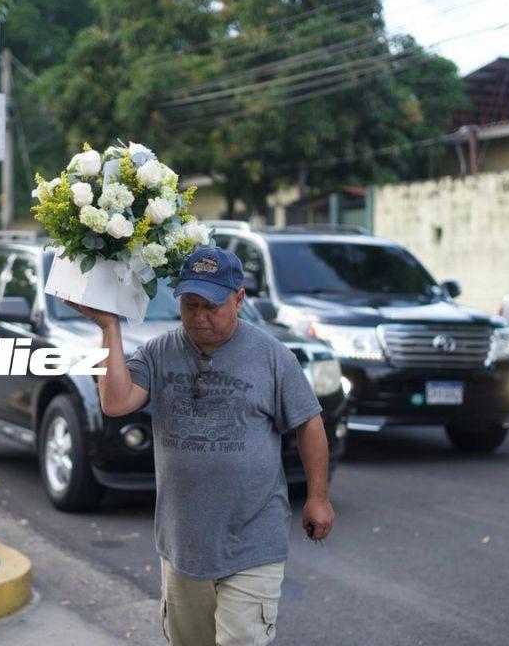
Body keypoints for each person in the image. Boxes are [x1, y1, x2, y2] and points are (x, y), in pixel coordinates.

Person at [64, 246, 335, 646]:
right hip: (183, 545)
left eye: (211, 306)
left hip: (253, 541)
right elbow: (116, 402)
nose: (199, 317)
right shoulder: (158, 352)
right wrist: (109, 328)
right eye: (190, 305)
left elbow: (309, 422)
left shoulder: (273, 356)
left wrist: (318, 498)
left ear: (239, 300)